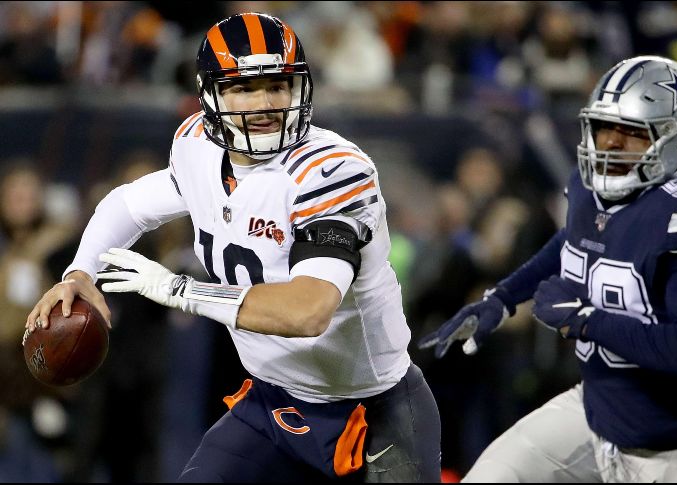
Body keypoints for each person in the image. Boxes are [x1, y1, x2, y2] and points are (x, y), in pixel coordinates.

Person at [25, 12, 441, 483]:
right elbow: (129, 205)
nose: (263, 103)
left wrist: (182, 290)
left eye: (277, 85)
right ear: (210, 94)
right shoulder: (199, 148)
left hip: (372, 415)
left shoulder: (332, 172)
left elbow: (308, 311)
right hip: (269, 406)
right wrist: (80, 273)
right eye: (243, 88)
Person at [419, 55, 677, 483]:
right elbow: (570, 242)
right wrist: (502, 299)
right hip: (594, 410)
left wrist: (587, 319)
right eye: (604, 127)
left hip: (672, 446)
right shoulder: (590, 194)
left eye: (630, 133)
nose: (608, 143)